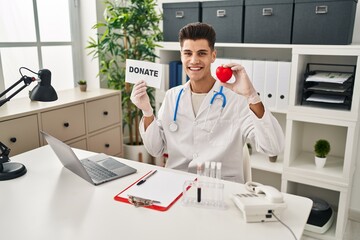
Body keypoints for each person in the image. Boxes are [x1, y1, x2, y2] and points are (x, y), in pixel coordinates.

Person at [130, 22, 284, 183]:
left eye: (202, 53)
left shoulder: (235, 99)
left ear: (213, 56)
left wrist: (252, 96)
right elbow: (155, 150)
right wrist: (147, 111)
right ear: (181, 55)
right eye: (187, 53)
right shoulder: (172, 97)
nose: (194, 60)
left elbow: (272, 148)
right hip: (177, 185)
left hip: (221, 188)